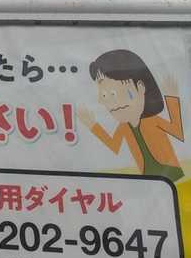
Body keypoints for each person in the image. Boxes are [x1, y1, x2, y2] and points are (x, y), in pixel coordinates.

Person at [78, 49, 185, 182]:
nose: (105, 102)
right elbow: (114, 146)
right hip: (148, 177)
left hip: (172, 174)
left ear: (140, 87)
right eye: (104, 96)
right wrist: (93, 125)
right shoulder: (124, 127)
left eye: (113, 94)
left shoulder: (152, 121)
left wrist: (172, 99)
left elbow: (177, 132)